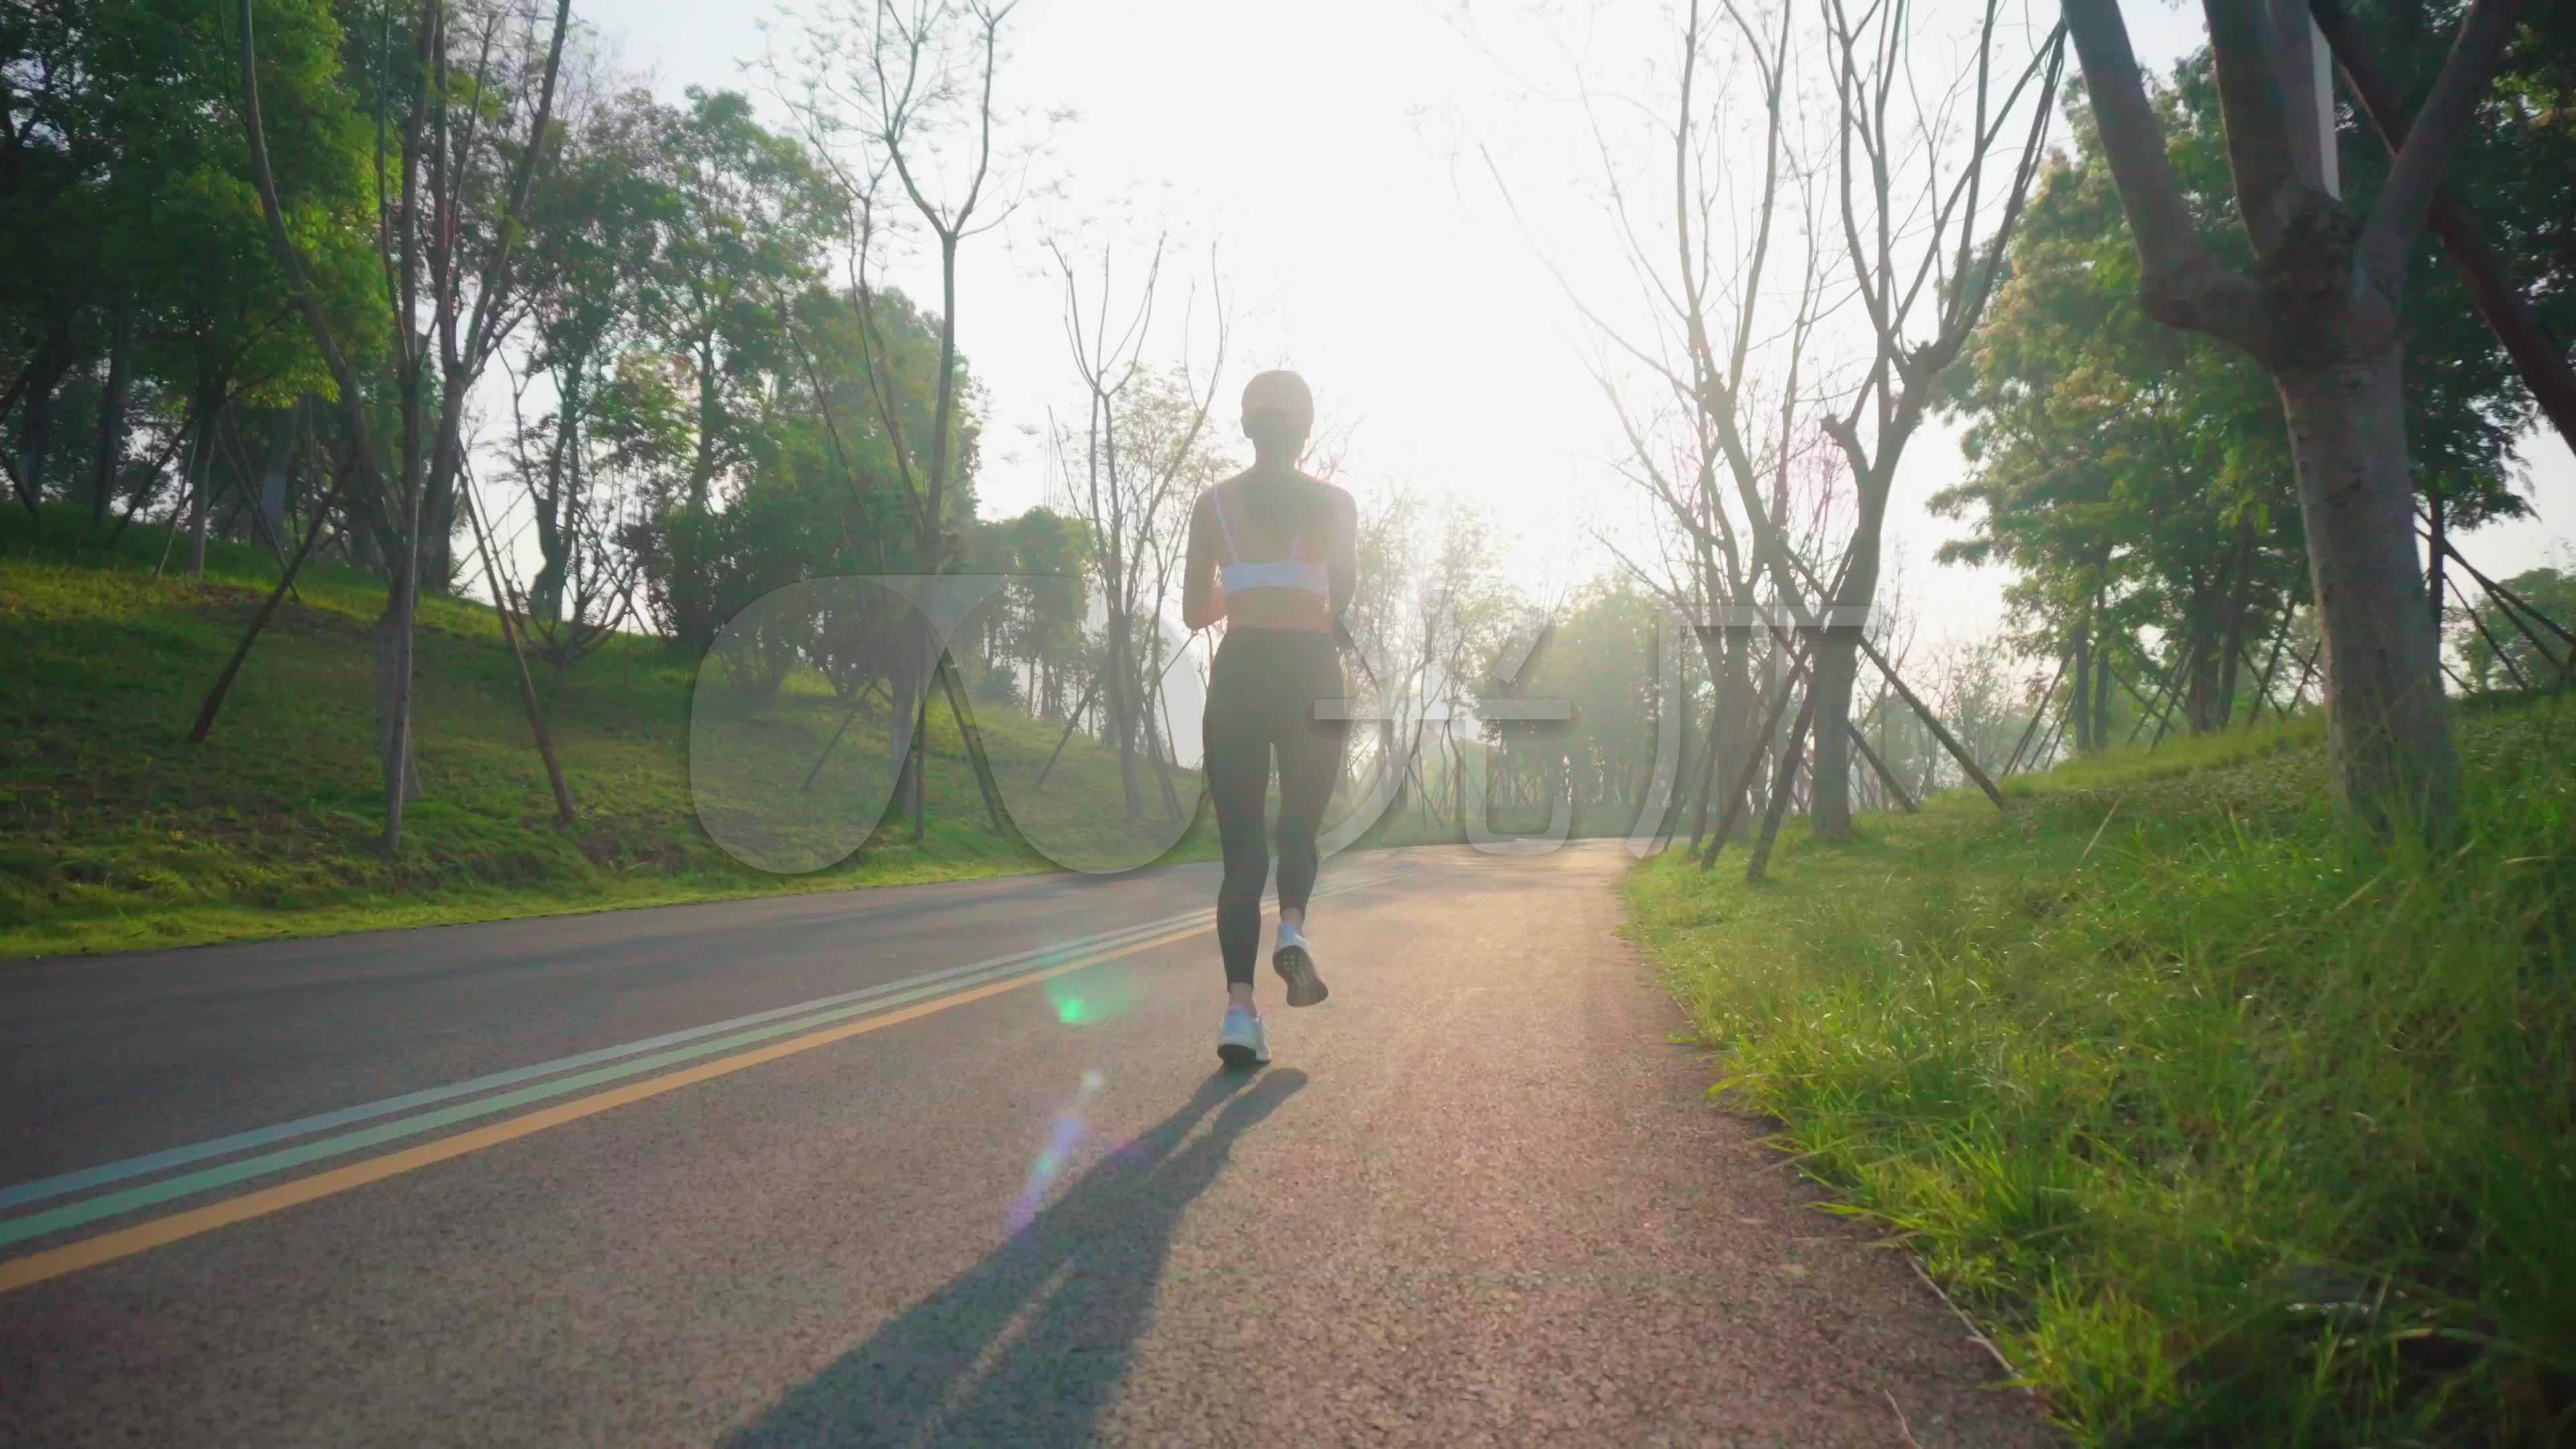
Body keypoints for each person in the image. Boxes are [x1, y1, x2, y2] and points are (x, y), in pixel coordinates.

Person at [1181, 370, 1358, 1067]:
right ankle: (1292, 929)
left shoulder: (1213, 505)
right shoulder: (1336, 504)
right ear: (1305, 429)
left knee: (1241, 854)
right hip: (1313, 671)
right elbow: (1339, 595)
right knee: (1300, 829)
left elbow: (1197, 611)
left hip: (1242, 672)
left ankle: (1239, 1011)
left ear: (1248, 427)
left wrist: (1241, 585)